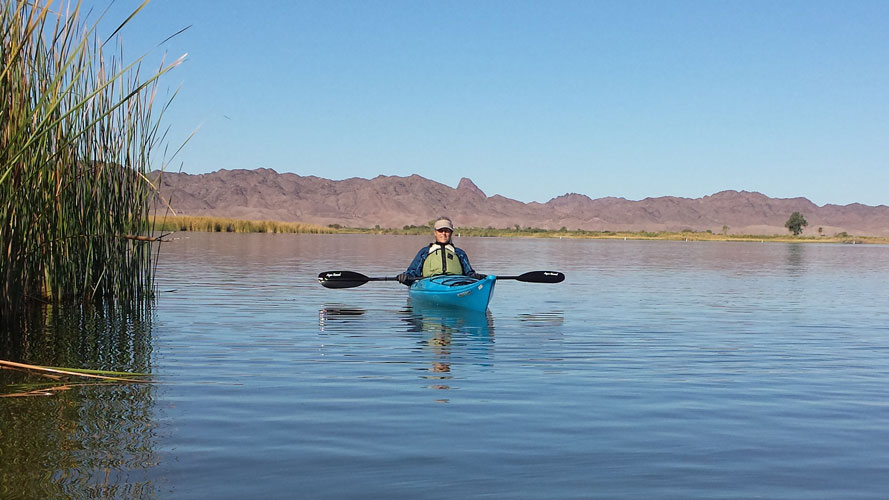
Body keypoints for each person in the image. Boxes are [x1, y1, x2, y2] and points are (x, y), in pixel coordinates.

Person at [397, 216, 485, 284]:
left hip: (455, 284)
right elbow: (413, 272)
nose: (444, 233)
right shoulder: (425, 252)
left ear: (451, 233)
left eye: (447, 231)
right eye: (440, 230)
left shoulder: (459, 253)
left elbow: (469, 273)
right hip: (430, 284)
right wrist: (405, 277)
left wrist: (475, 276)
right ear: (435, 233)